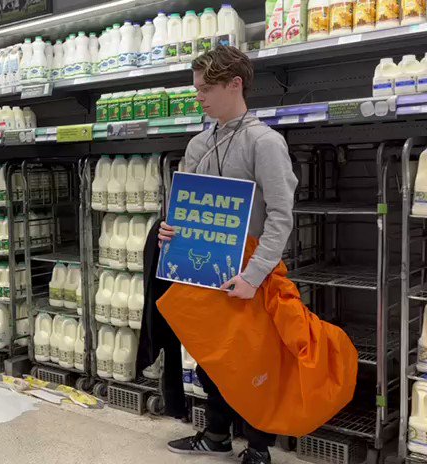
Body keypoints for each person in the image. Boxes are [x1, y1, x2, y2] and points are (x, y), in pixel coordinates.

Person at [159, 46, 298, 464]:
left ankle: (258, 447)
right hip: (203, 269)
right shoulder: (199, 143)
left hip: (250, 270)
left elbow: (280, 217)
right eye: (196, 89)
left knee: (253, 360)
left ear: (235, 84)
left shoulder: (265, 143)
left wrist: (254, 276)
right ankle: (217, 434)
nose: (197, 97)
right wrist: (171, 231)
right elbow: (185, 207)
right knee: (210, 356)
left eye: (205, 88)